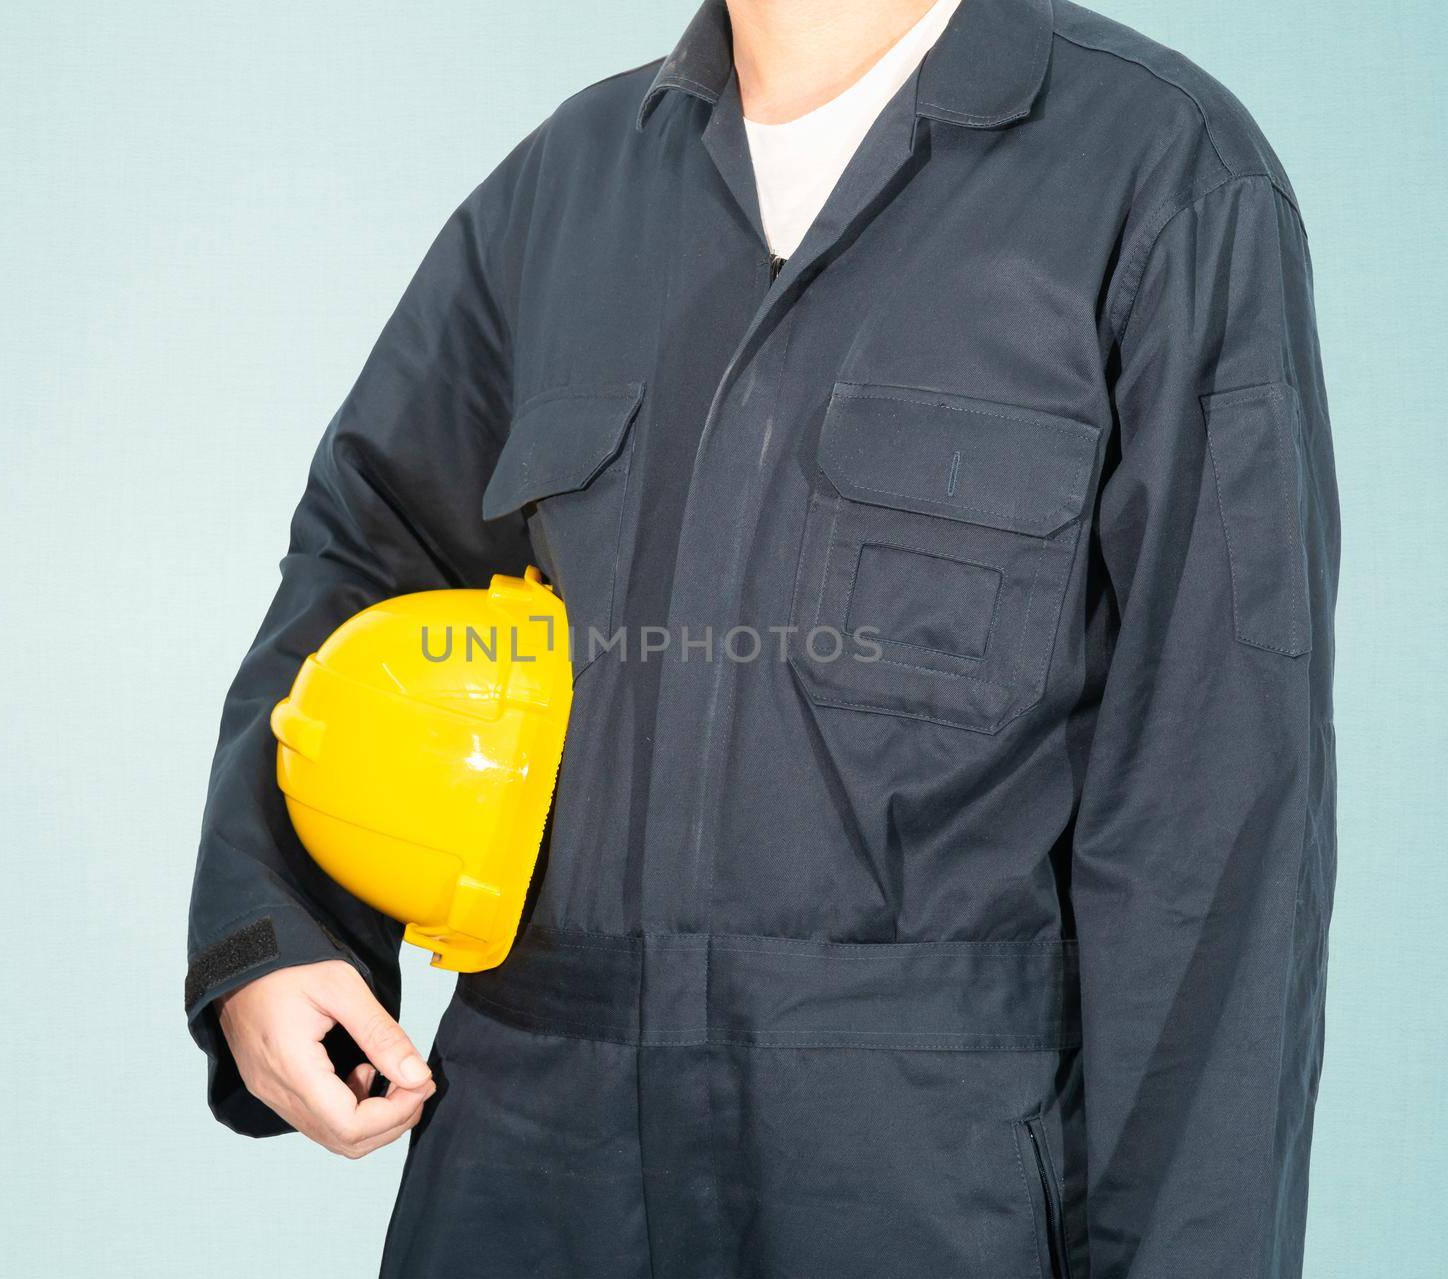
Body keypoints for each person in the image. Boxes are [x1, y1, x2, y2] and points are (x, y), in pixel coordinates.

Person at [184, 0, 1339, 1274]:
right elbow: (366, 548)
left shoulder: (1160, 176)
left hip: (925, 1181)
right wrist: (272, 931)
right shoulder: (566, 190)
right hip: (526, 1156)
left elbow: (1214, 810)